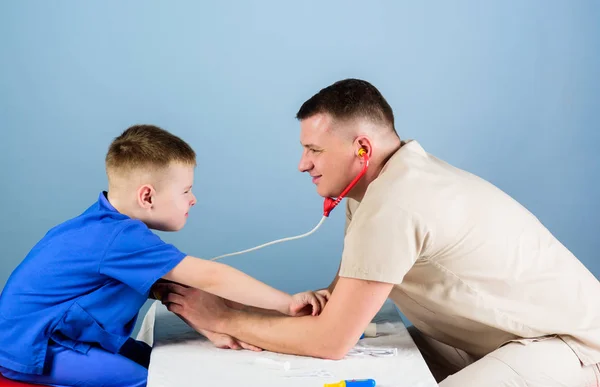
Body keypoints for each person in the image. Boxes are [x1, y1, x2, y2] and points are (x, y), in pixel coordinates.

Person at [162, 79, 600, 386]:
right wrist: (250, 307)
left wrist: (222, 318)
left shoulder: (397, 202)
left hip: (568, 348)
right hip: (500, 338)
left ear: (362, 149)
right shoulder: (376, 189)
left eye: (314, 150)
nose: (302, 164)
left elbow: (332, 340)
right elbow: (337, 307)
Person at [0, 125, 329, 387]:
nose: (193, 199)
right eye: (185, 190)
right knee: (155, 380)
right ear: (147, 196)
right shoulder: (120, 237)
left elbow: (170, 290)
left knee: (157, 359)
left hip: (50, 335)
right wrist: (288, 303)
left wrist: (215, 328)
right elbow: (213, 277)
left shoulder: (106, 226)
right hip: (33, 347)